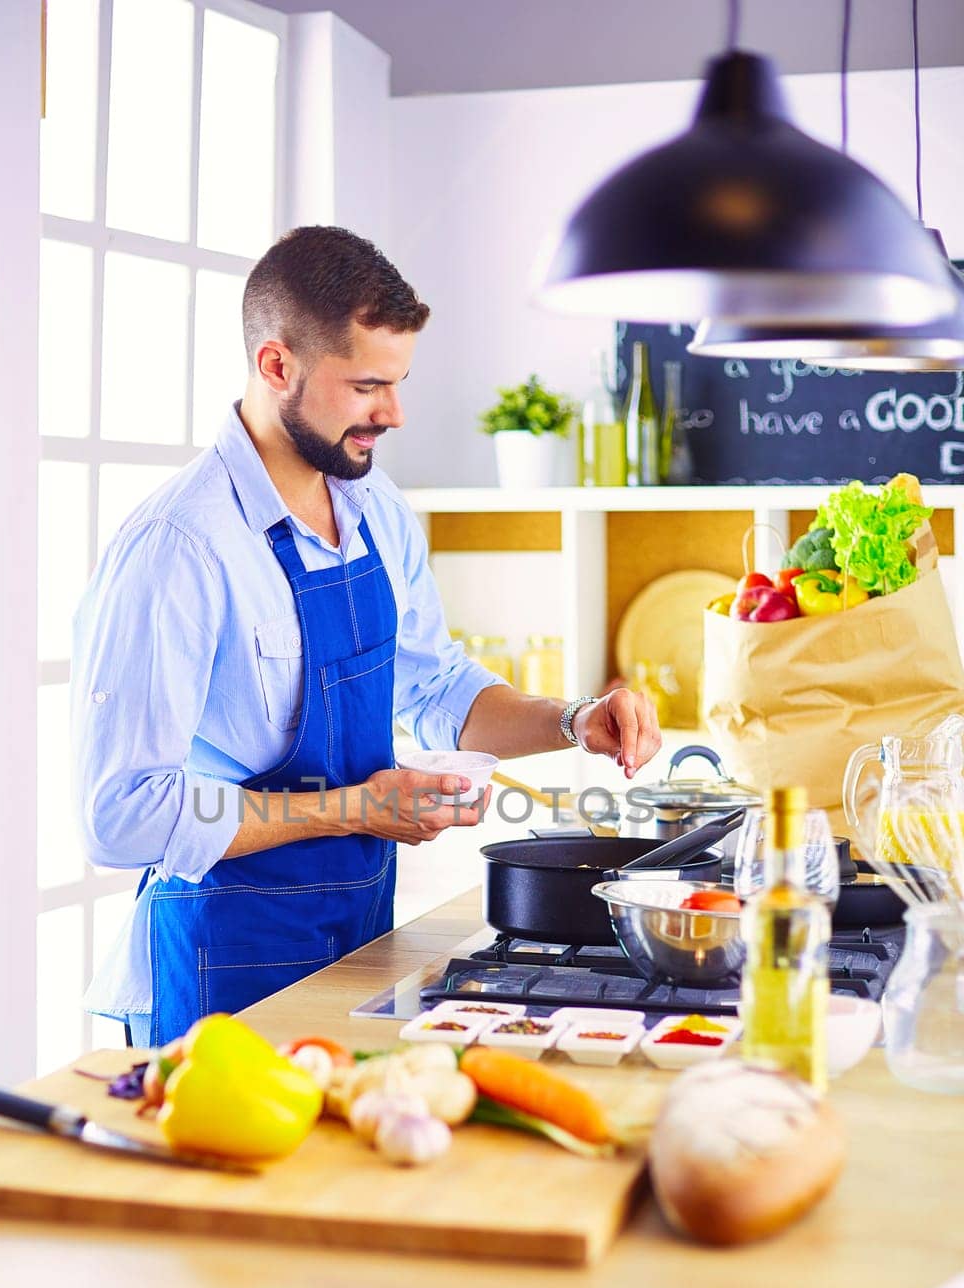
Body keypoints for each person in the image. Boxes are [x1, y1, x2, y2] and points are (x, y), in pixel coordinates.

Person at [71, 226, 660, 1048]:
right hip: (220, 963)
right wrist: (357, 808)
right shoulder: (182, 548)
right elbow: (120, 814)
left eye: (398, 382)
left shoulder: (374, 506)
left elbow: (433, 687)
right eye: (367, 386)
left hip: (355, 939)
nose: (394, 413)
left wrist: (573, 720)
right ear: (277, 366)